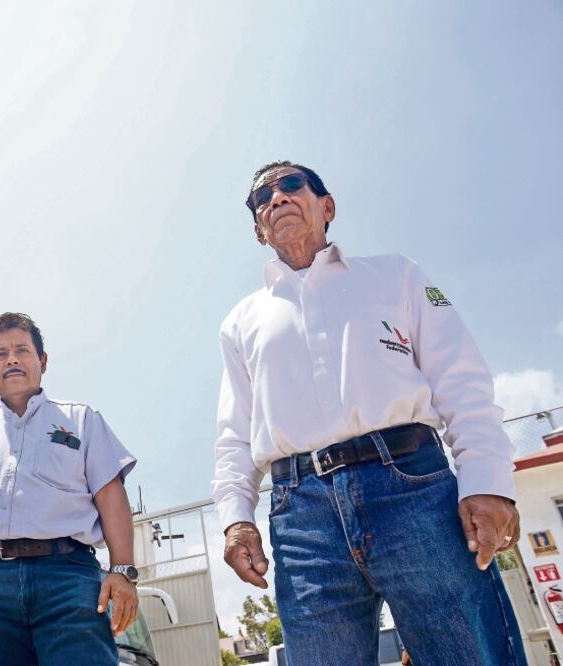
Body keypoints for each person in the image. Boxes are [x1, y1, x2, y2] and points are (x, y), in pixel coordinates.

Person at [212, 161, 526, 664]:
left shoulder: (397, 274)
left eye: (291, 185)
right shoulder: (240, 323)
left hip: (415, 492)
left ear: (326, 206)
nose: (276, 198)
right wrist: (235, 520)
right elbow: (233, 437)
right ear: (258, 230)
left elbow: (462, 381)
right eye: (261, 199)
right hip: (301, 517)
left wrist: (487, 481)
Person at [0, 312, 139, 666]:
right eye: (0, 354)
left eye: (22, 350)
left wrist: (122, 570)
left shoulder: (82, 420)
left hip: (70, 579)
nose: (12, 359)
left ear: (43, 361)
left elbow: (111, 496)